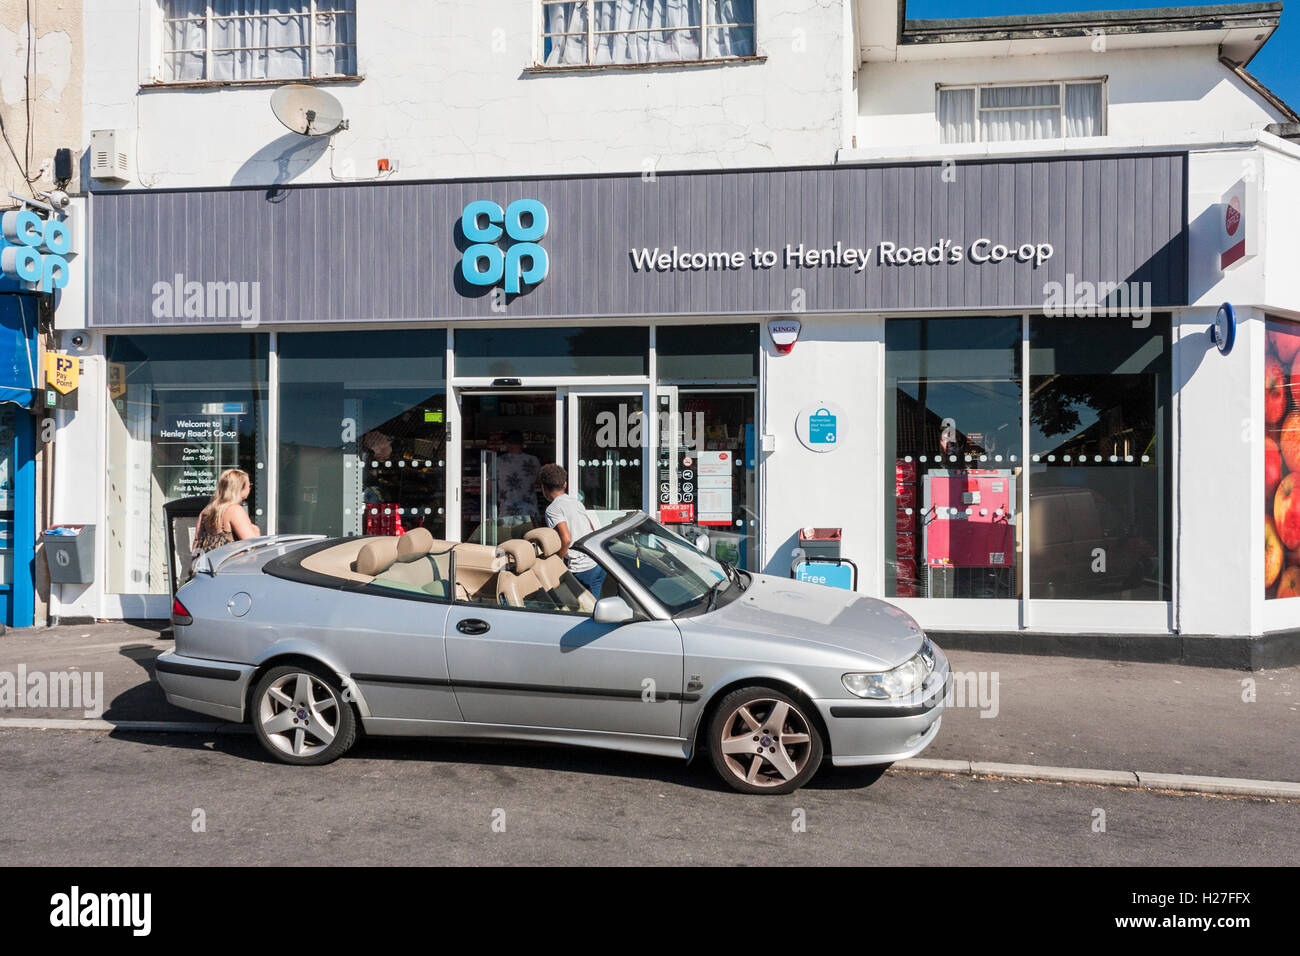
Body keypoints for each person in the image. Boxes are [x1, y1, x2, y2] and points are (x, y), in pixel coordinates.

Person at [538, 462, 605, 599]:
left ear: (543, 488)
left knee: (580, 608)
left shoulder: (553, 509)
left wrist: (556, 559)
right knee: (594, 604)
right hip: (596, 563)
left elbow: (566, 539)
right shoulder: (575, 502)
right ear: (565, 485)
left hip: (581, 568)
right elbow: (591, 527)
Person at [193, 468, 260, 557]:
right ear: (240, 488)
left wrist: (193, 565)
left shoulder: (207, 510)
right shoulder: (235, 510)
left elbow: (197, 541)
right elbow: (252, 544)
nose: (250, 488)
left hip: (210, 565)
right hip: (231, 567)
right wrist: (255, 530)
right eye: (249, 485)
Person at [496, 430, 541, 529]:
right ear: (522, 444)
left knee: (508, 542)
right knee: (530, 541)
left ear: (507, 444)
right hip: (529, 510)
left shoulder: (498, 461)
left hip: (507, 510)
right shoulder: (533, 460)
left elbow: (489, 487)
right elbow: (539, 481)